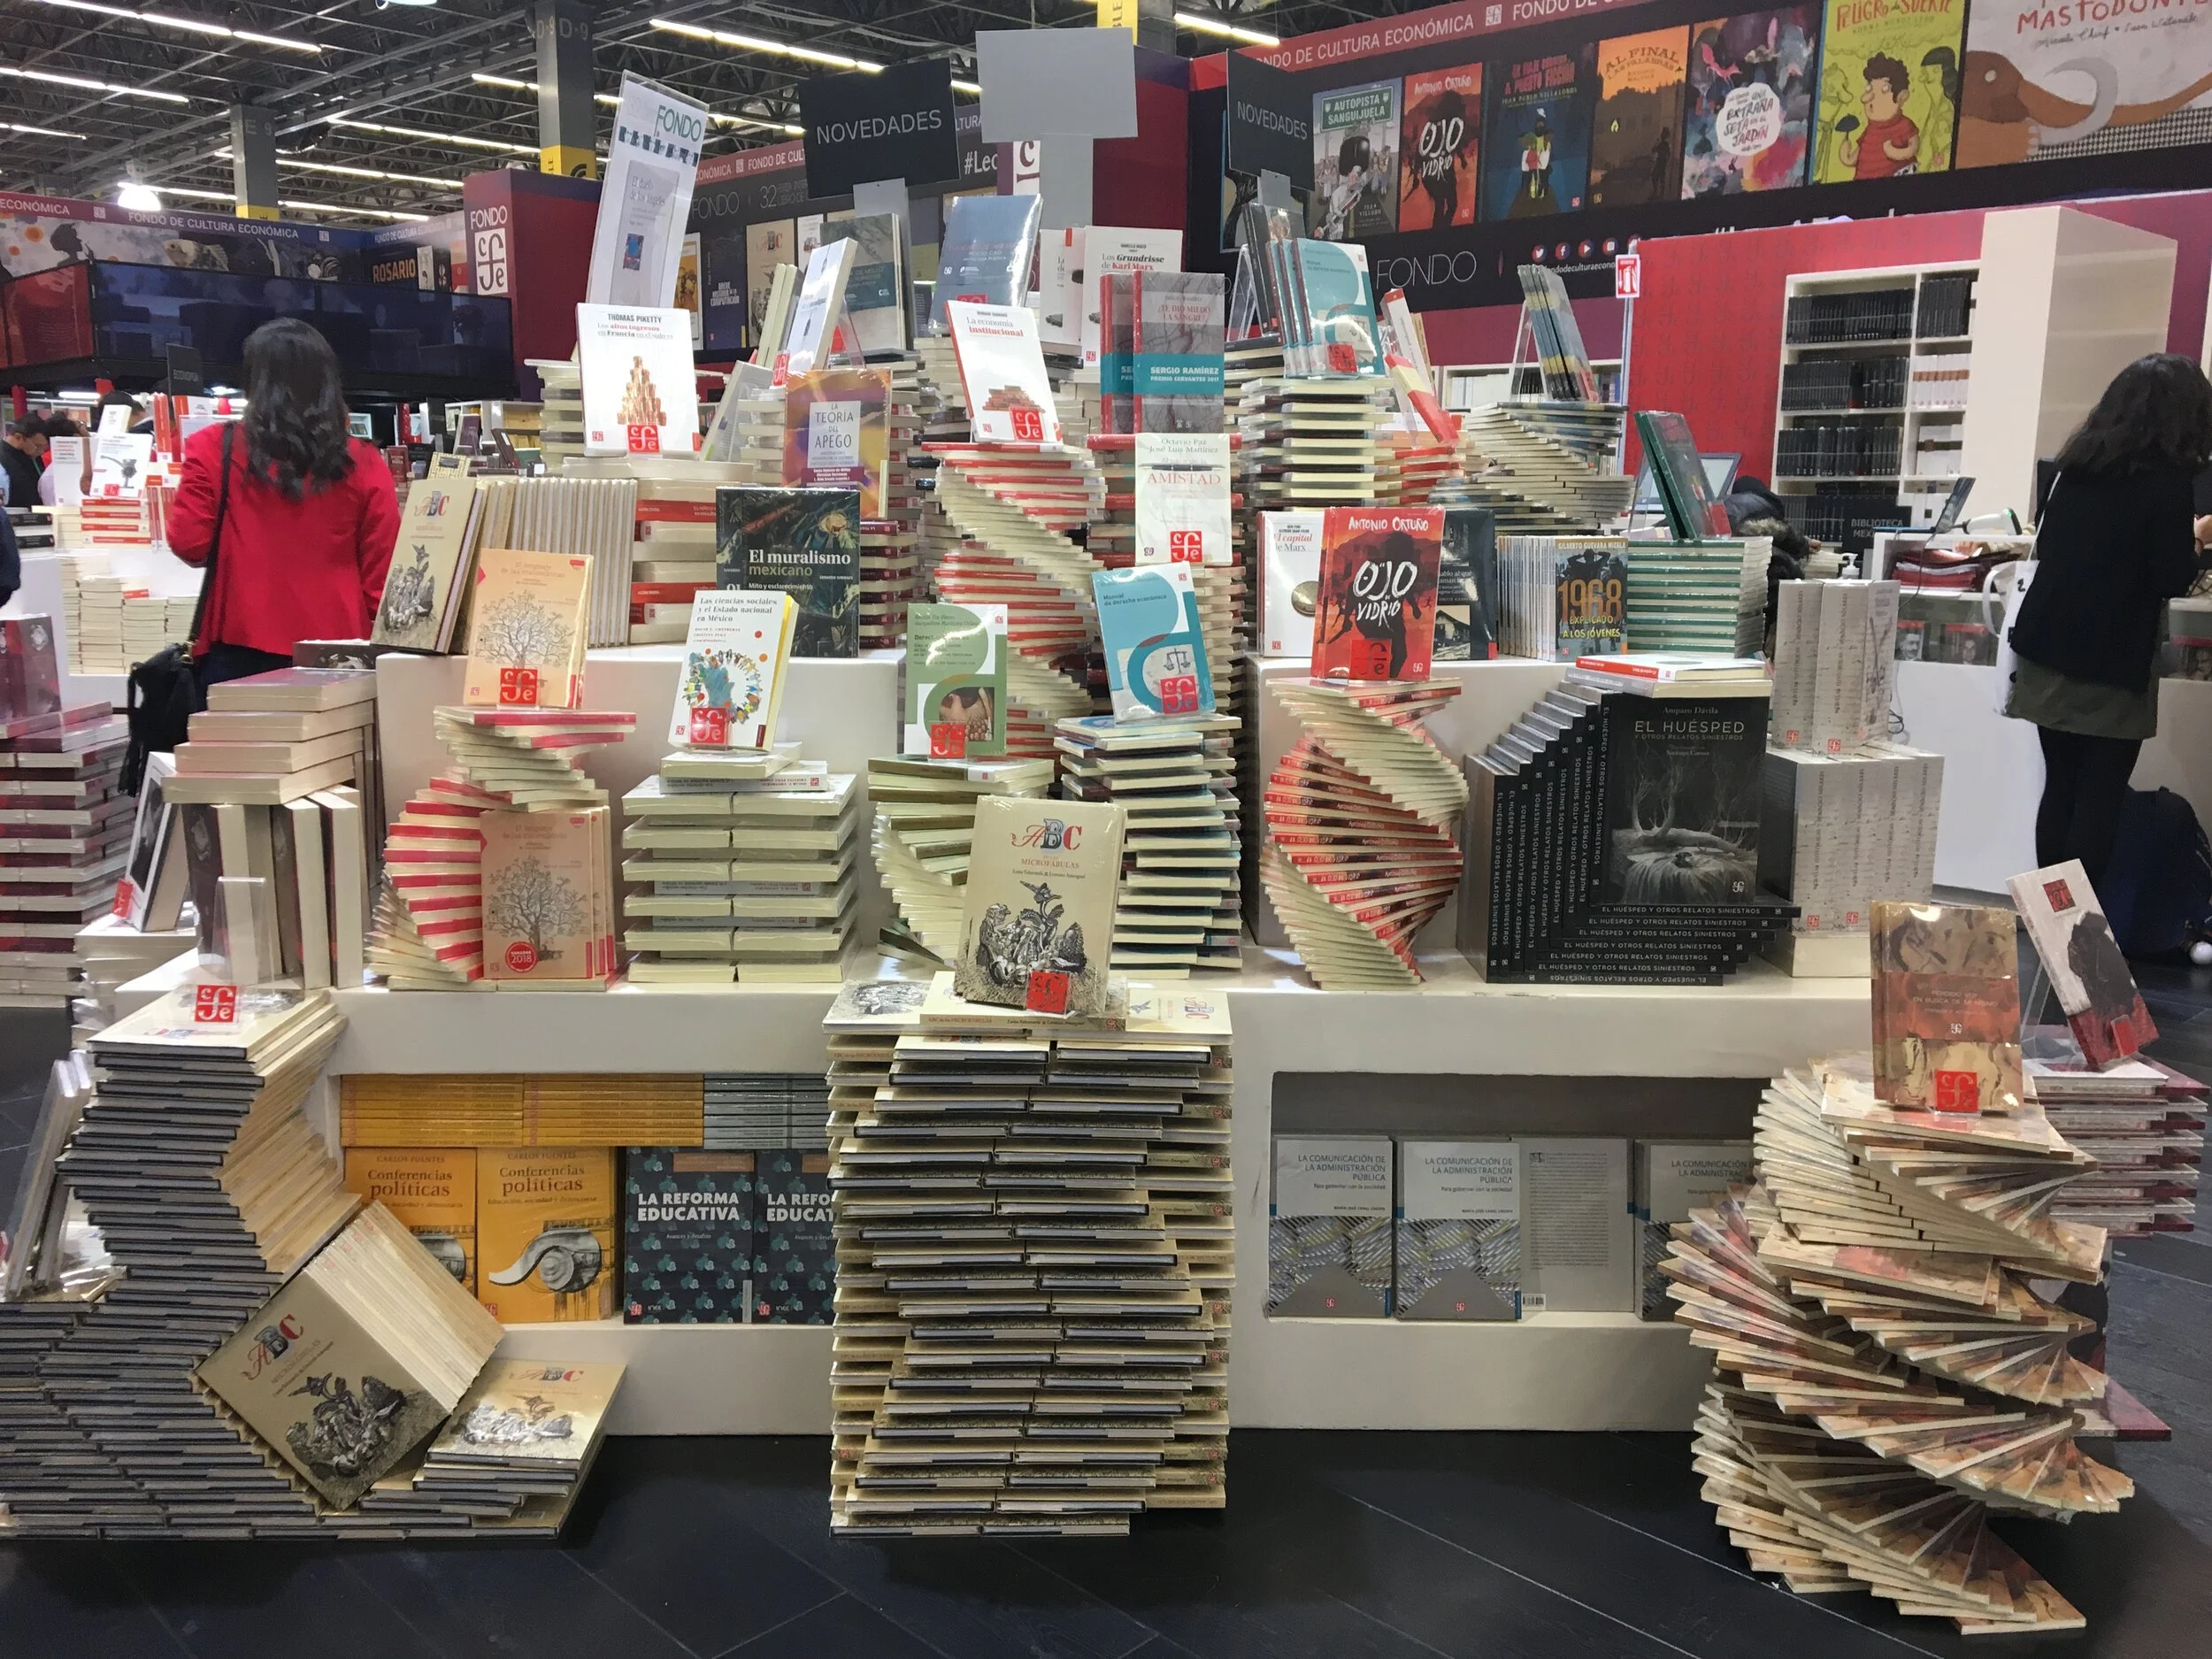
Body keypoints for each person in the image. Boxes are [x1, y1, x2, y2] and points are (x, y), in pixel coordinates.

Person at [2006, 353, 2212, 891]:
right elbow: (2170, 575)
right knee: (2098, 801)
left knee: (2061, 789)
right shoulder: (2168, 482)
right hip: (2112, 665)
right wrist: (2197, 537)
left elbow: (2052, 548)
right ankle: (2078, 938)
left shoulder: (2075, 467)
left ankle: (2050, 923)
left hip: (2047, 653)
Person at [167, 318, 398, 689]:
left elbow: (189, 544)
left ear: (253, 379)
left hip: (240, 640)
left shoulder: (214, 447)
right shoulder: (364, 461)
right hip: (340, 648)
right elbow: (382, 573)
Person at [1842, 54, 1919, 179]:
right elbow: (1858, 155)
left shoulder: (1904, 124)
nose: (1870, 98)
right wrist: (1847, 157)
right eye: (1869, 88)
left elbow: (1913, 147)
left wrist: (1896, 153)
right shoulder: (1870, 130)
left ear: (1901, 97)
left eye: (1884, 89)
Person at [0, 415, 48, 510]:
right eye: (37, 446)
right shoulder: (3, 459)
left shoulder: (33, 456)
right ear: (18, 437)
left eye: (44, 447)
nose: (41, 451)